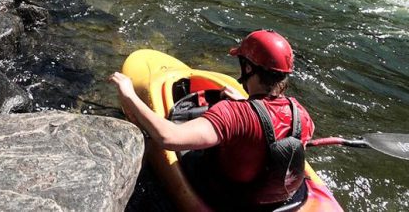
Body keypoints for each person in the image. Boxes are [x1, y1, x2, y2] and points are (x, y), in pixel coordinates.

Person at [109, 30, 314, 211]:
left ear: (249, 68)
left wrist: (129, 95)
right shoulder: (302, 115)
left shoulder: (232, 113)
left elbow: (167, 137)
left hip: (229, 197)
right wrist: (247, 103)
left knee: (154, 140)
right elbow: (269, 131)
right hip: (275, 200)